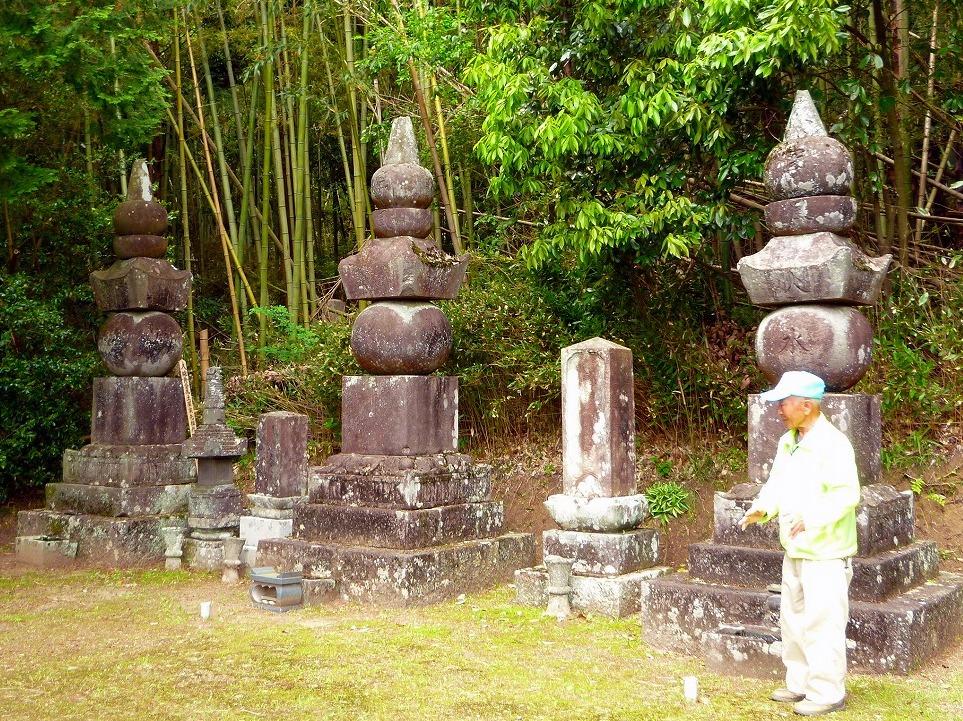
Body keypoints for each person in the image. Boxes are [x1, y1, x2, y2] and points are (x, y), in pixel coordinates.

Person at [740, 370, 860, 717]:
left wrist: (814, 517)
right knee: (793, 620)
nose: (779, 408)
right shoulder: (788, 441)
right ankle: (800, 683)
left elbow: (846, 494)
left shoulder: (834, 444)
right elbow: (777, 484)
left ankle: (826, 691)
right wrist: (762, 508)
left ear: (806, 406)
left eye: (785, 402)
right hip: (795, 548)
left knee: (823, 622)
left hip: (826, 552)